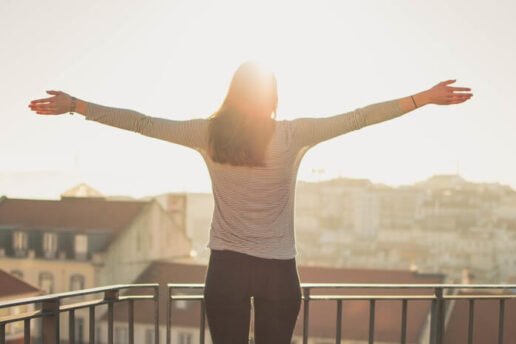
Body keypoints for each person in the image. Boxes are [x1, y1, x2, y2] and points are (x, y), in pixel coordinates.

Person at [28, 61, 473, 343]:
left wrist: (76, 106)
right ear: (272, 97)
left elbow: (141, 123)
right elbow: (358, 119)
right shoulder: (292, 135)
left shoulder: (207, 134)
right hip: (279, 270)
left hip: (226, 269)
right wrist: (422, 99)